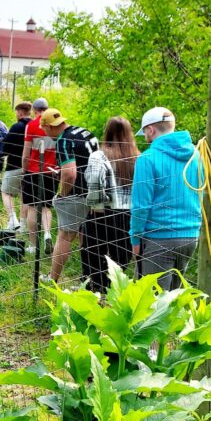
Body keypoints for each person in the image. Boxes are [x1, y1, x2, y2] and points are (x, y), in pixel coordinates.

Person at [129, 107, 202, 290]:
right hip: (190, 236)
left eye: (145, 132)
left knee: (151, 305)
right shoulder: (196, 156)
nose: (145, 136)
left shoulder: (148, 158)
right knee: (173, 300)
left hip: (158, 238)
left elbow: (140, 206)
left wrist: (135, 239)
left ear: (151, 130)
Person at [39, 109, 99, 285]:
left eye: (44, 129)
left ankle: (53, 278)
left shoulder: (64, 140)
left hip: (78, 191)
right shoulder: (84, 132)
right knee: (86, 235)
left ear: (49, 126)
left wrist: (62, 194)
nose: (45, 133)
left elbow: (70, 174)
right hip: (96, 189)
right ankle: (88, 278)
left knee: (65, 235)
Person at [80, 116, 138, 292]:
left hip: (102, 214)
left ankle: (96, 297)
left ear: (108, 132)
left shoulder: (99, 155)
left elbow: (95, 179)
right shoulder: (138, 157)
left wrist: (96, 206)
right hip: (128, 216)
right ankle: (112, 295)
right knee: (119, 261)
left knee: (94, 259)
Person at [22, 97, 56, 254]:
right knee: (46, 206)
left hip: (33, 170)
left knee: (32, 208)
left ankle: (33, 244)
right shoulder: (54, 122)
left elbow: (26, 151)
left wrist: (24, 168)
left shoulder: (32, 125)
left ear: (34, 110)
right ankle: (48, 234)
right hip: (51, 171)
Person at [1, 102, 32, 231]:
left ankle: (12, 219)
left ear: (19, 112)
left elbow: (5, 147)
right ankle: (23, 224)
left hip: (14, 165)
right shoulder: (35, 125)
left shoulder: (17, 127)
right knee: (23, 195)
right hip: (31, 167)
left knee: (6, 192)